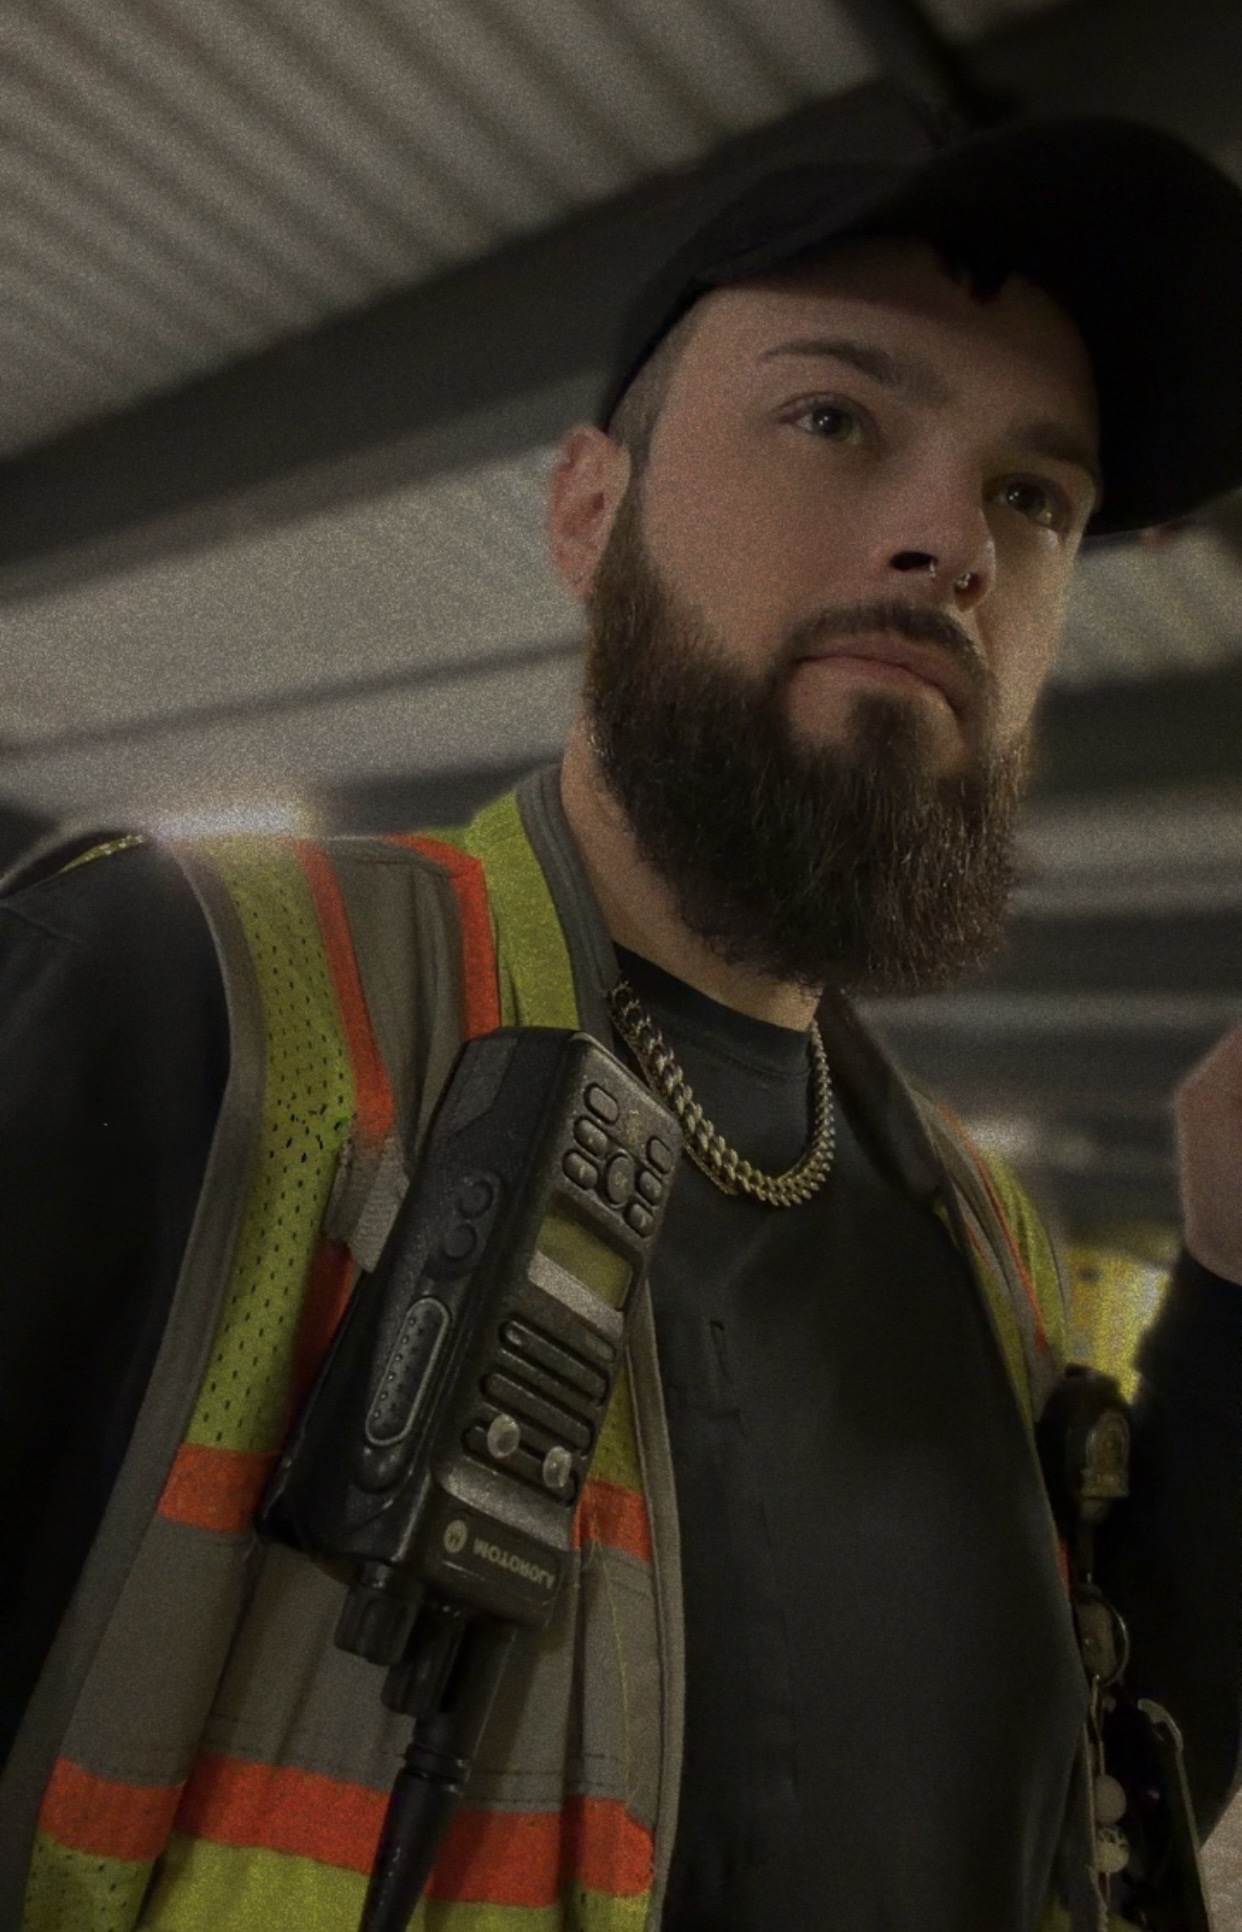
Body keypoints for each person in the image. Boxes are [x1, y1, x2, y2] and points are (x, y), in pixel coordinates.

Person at [2, 109, 1242, 1932]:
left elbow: (1088, 1816)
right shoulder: (195, 1005)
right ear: (589, 512)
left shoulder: (982, 1243)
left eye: (1031, 498)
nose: (952, 543)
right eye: (833, 419)